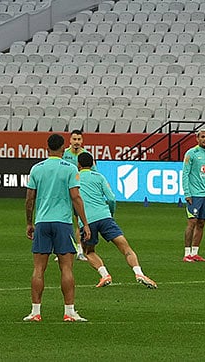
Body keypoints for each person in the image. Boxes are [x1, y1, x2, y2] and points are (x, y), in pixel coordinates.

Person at [24, 133, 92, 322]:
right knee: (66, 268)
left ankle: (35, 312)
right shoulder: (69, 168)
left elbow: (30, 198)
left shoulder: (37, 168)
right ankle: (69, 312)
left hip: (42, 222)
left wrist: (29, 222)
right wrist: (85, 223)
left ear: (47, 148)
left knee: (38, 269)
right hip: (62, 223)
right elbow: (76, 197)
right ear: (63, 148)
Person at [76, 153, 157, 289]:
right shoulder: (99, 177)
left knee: (89, 251)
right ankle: (139, 273)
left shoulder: (74, 179)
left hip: (87, 221)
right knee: (126, 248)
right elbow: (111, 198)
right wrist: (110, 213)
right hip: (105, 217)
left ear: (78, 164)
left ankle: (105, 274)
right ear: (93, 164)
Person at [182, 128, 205, 262]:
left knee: (201, 223)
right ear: (197, 138)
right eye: (202, 137)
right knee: (192, 222)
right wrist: (187, 193)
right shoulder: (191, 153)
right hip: (194, 195)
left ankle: (195, 252)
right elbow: (185, 174)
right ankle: (186, 253)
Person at [60, 129, 90, 261]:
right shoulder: (64, 154)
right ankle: (62, 249)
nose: (76, 142)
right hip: (63, 193)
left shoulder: (86, 155)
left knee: (79, 222)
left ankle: (80, 250)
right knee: (63, 221)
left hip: (78, 193)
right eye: (74, 139)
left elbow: (91, 173)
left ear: (82, 141)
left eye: (79, 139)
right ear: (70, 140)